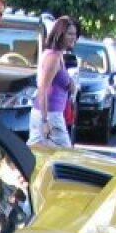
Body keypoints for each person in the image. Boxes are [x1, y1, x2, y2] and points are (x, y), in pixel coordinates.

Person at [28, 15, 77, 148]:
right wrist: (45, 121)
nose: (74, 38)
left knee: (35, 155)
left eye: (75, 34)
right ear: (60, 34)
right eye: (70, 34)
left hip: (51, 114)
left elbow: (59, 81)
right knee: (65, 155)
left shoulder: (58, 56)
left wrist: (70, 84)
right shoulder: (53, 57)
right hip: (50, 115)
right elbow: (42, 89)